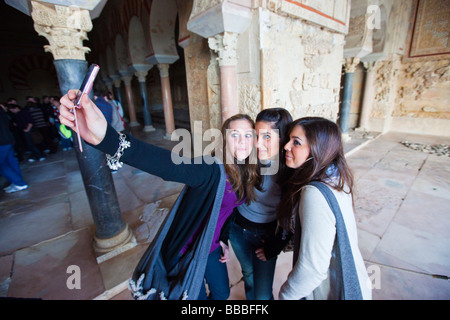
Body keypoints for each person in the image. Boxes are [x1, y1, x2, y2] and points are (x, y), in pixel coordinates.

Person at [58, 90, 261, 300]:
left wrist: (223, 240)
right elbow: (166, 164)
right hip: (188, 250)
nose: (242, 141)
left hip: (211, 247)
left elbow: (227, 211)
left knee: (222, 293)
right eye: (234, 135)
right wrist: (106, 138)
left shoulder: (246, 171)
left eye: (248, 135)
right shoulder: (209, 169)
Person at [275, 117, 371, 300]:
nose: (286, 146)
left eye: (296, 142)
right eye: (289, 139)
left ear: (318, 148)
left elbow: (313, 268)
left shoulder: (314, 193)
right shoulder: (336, 176)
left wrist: (286, 295)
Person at [226, 108, 292, 300]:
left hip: (266, 236)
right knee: (248, 276)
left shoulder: (289, 169)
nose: (257, 143)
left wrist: (276, 245)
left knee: (263, 294)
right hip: (237, 229)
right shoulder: (246, 156)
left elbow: (291, 215)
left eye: (266, 137)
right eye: (255, 135)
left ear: (282, 138)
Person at [0, 104, 28, 193]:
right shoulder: (2, 111)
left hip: (1, 142)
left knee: (2, 165)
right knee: (12, 161)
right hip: (9, 139)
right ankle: (17, 182)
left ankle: (19, 183)